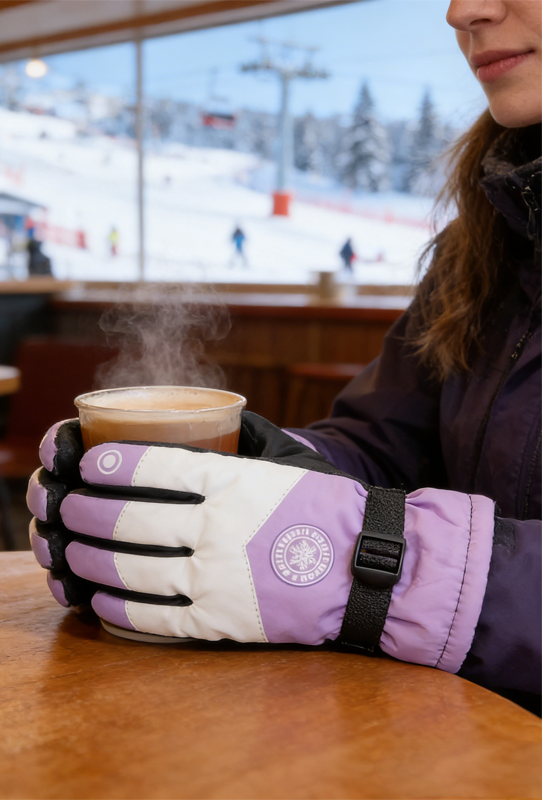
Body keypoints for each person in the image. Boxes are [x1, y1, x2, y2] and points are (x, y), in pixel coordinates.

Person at [27, 0, 541, 712]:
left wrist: (371, 567)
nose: (463, 11)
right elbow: (389, 443)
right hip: (448, 725)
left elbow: (375, 538)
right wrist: (259, 471)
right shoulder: (481, 241)